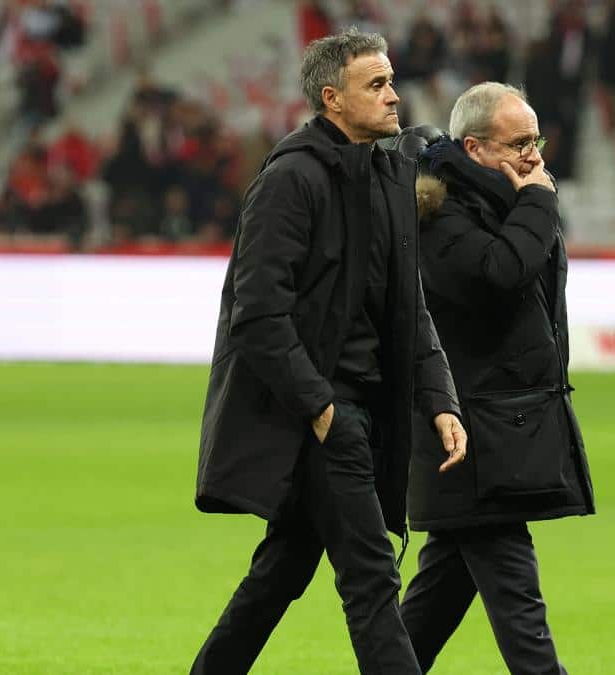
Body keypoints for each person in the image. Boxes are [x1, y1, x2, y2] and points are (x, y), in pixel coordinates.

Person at [190, 28, 468, 675]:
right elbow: (257, 313)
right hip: (325, 415)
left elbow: (409, 305)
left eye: (392, 81)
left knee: (280, 574)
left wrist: (440, 398)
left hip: (363, 412)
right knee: (372, 578)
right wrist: (321, 409)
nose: (394, 96)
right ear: (331, 99)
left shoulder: (391, 174)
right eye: (377, 84)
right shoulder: (290, 179)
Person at [398, 82, 596, 674]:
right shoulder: (437, 212)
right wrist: (536, 202)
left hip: (496, 426)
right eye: (518, 144)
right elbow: (500, 274)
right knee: (518, 602)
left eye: (536, 141)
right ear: (475, 148)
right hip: (476, 435)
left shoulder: (495, 201)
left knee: (438, 596)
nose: (533, 156)